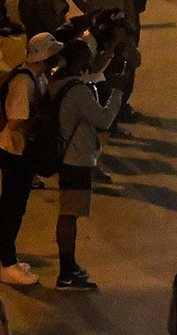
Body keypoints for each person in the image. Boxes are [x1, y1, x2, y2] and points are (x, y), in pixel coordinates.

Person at [0, 33, 60, 288]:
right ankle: (7, 263)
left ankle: (0, 254)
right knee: (13, 206)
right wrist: (39, 122)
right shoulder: (24, 82)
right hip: (13, 149)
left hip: (15, 149)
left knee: (11, 203)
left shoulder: (32, 76)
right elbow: (15, 121)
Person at [48, 37, 122, 292]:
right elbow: (103, 119)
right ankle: (66, 273)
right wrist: (117, 93)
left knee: (69, 215)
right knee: (69, 216)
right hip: (76, 159)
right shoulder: (77, 91)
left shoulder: (57, 83)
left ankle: (69, 266)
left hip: (67, 156)